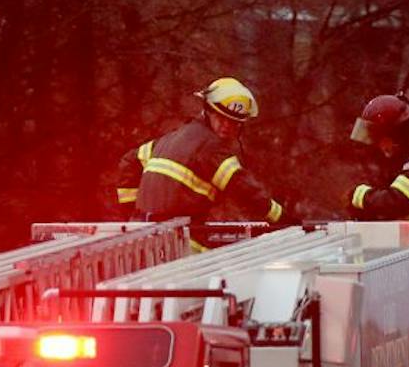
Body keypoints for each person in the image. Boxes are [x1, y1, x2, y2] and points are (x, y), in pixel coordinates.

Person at [115, 78, 285, 248]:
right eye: (221, 118)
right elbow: (242, 187)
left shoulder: (171, 139)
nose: (226, 126)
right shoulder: (211, 148)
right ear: (208, 111)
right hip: (179, 241)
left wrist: (133, 215)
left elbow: (130, 161)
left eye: (233, 122)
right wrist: (282, 218)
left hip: (143, 237)